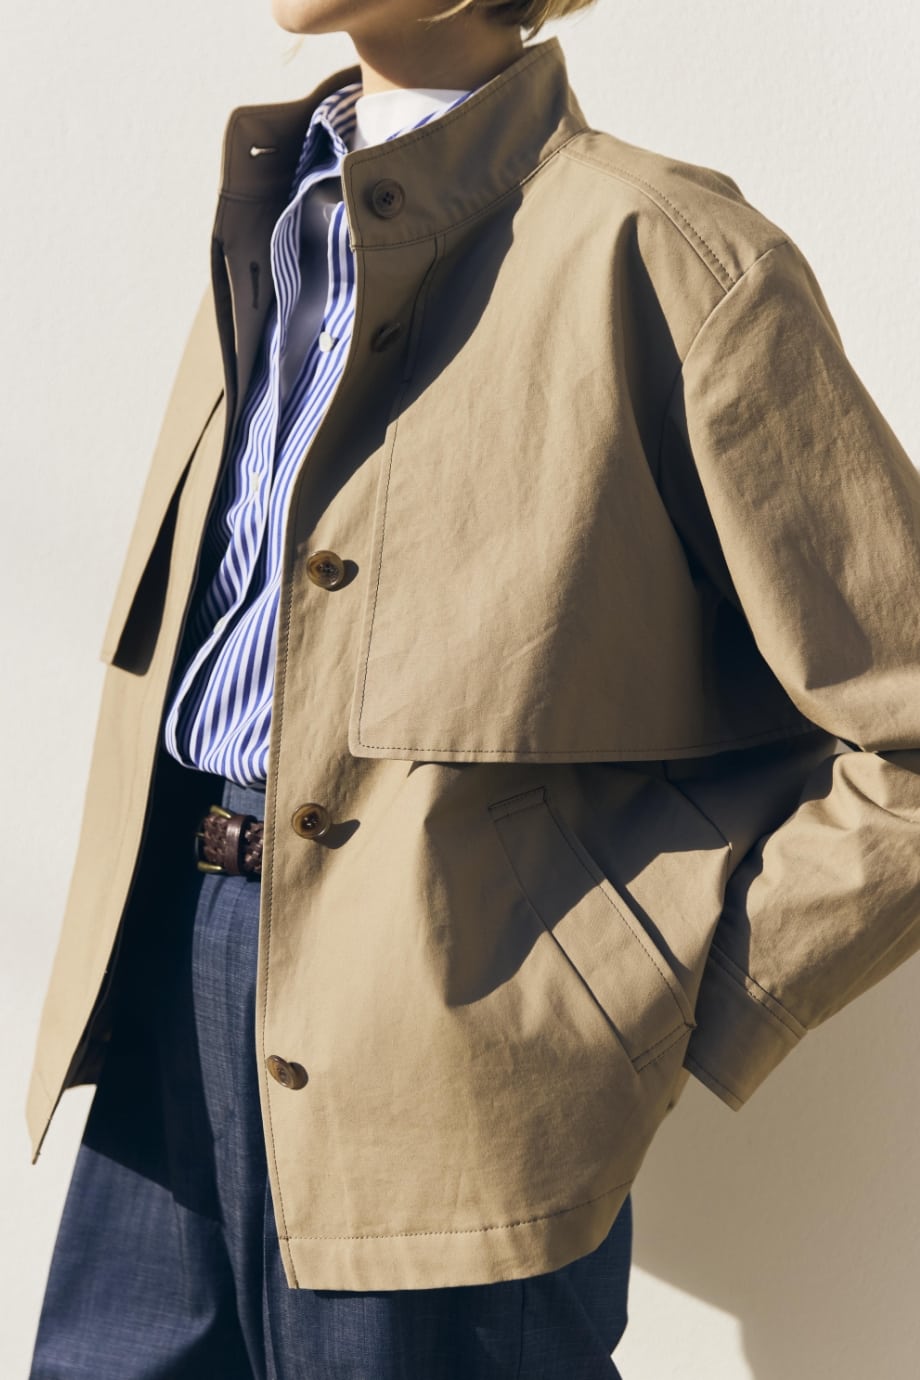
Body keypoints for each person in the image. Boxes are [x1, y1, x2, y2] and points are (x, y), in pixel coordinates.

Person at [26, 0, 920, 1372]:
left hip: (447, 1047)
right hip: (169, 969)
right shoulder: (280, 209)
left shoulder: (665, 253)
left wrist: (652, 996)